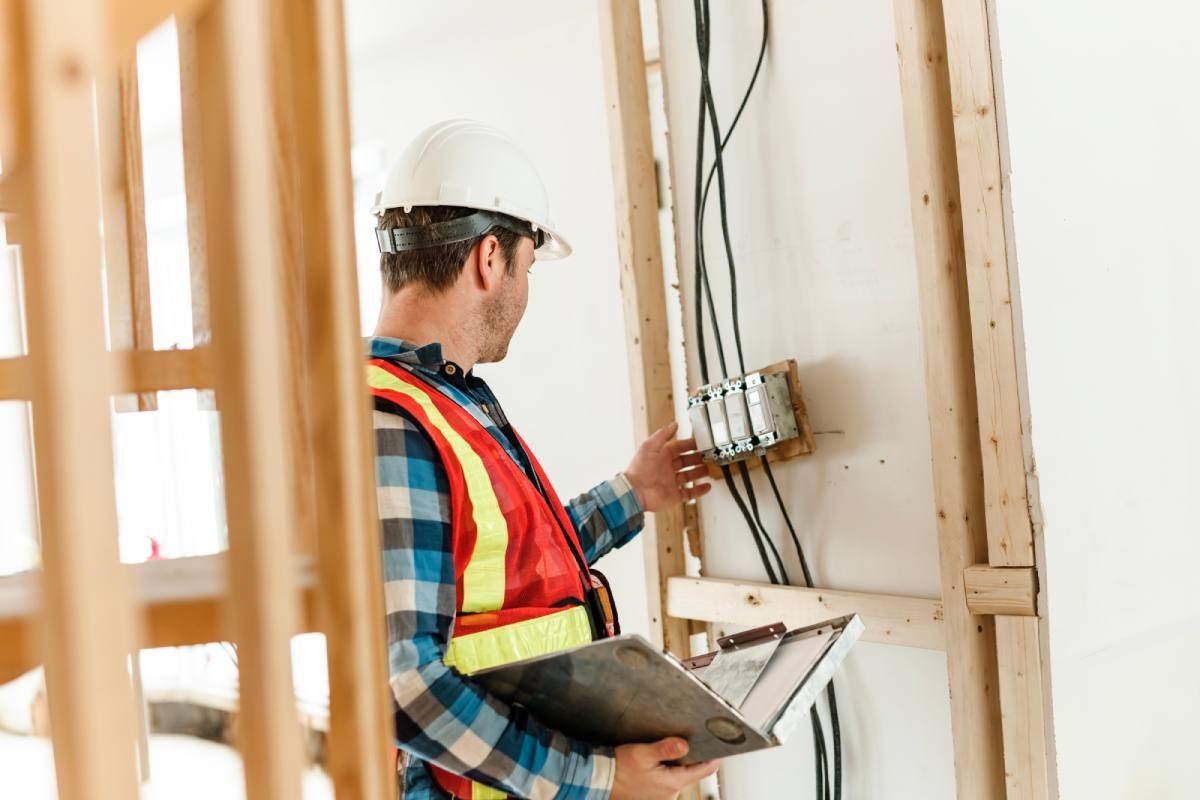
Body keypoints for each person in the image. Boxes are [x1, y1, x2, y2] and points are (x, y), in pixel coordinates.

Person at [367, 119, 718, 800]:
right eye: (527, 268)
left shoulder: (446, 400)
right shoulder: (393, 420)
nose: (525, 291)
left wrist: (633, 492)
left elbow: (509, 561)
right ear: (489, 258)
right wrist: (600, 777)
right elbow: (404, 687)